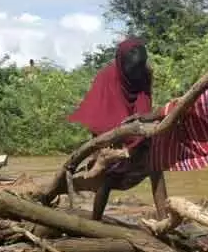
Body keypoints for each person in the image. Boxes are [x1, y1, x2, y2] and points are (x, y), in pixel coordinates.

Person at [67, 38, 165, 220]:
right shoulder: (106, 78)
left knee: (156, 166)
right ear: (121, 63)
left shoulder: (144, 74)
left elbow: (144, 106)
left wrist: (141, 137)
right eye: (133, 69)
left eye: (140, 68)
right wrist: (106, 149)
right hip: (112, 137)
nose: (137, 74)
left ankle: (164, 221)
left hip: (136, 131)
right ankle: (95, 221)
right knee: (107, 178)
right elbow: (99, 115)